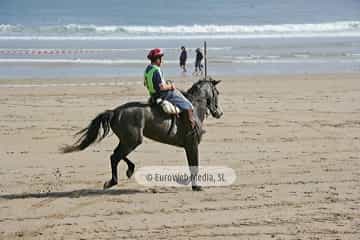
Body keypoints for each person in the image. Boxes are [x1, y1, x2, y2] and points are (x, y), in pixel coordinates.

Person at [144, 48, 198, 136]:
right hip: (163, 94)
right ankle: (190, 127)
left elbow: (145, 83)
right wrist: (171, 86)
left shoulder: (148, 69)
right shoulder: (157, 70)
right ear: (157, 59)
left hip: (152, 95)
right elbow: (162, 87)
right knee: (187, 105)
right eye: (160, 58)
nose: (161, 60)